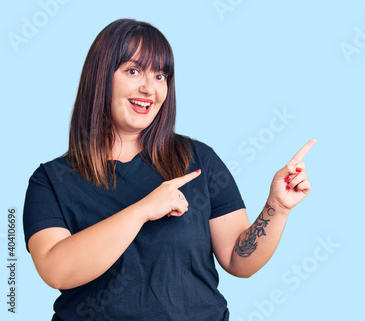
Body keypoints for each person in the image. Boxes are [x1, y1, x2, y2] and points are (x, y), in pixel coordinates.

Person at [23, 18, 316, 321]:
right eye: (133, 71)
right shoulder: (51, 180)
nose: (149, 88)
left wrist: (277, 207)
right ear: (100, 77)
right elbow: (56, 270)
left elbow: (237, 259)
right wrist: (142, 210)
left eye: (160, 75)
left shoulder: (198, 159)